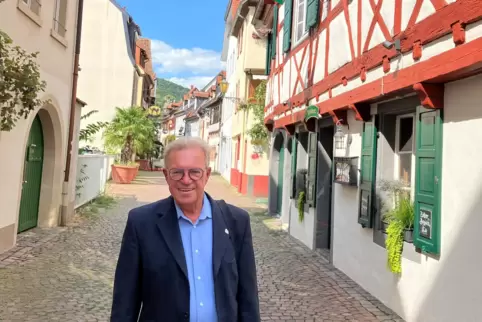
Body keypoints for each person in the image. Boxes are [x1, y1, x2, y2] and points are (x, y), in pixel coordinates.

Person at [110, 137, 260, 322]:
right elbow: (125, 301)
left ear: (207, 174)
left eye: (195, 172)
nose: (186, 180)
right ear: (166, 175)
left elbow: (248, 298)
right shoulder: (141, 223)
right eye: (177, 172)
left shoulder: (236, 221)